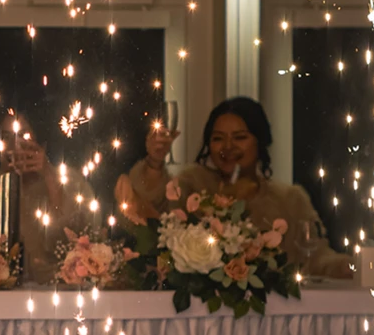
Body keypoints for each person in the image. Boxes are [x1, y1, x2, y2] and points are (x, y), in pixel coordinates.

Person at [115, 96, 353, 278]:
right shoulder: (192, 185)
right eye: (218, 138)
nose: (227, 147)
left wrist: (356, 266)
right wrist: (154, 163)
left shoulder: (290, 200)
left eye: (239, 137)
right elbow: (149, 214)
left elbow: (315, 257)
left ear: (260, 142)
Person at [0, 114, 94, 283]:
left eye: (23, 136)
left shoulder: (71, 185)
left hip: (55, 291)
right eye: (6, 137)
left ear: (41, 142)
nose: (14, 145)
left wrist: (50, 178)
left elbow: (77, 242)